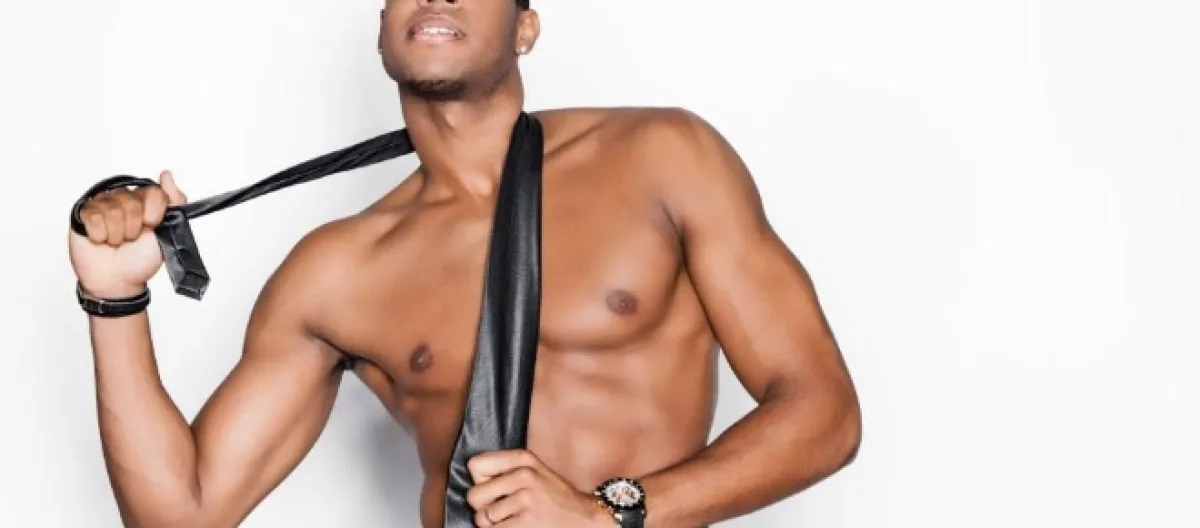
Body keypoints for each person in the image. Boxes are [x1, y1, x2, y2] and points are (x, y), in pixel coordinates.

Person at [66, 0, 862, 526]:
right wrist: (113, 301)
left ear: (525, 27)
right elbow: (182, 513)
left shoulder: (663, 157)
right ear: (382, 30)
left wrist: (608, 514)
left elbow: (824, 413)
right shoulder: (335, 273)